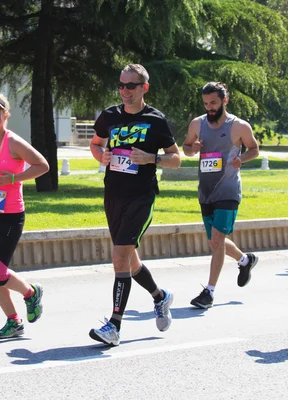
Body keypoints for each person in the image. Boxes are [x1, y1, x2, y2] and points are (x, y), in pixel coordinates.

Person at [88, 64, 181, 346]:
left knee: (119, 256)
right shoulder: (110, 116)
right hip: (113, 194)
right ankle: (160, 296)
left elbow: (176, 158)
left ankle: (114, 325)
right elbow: (95, 144)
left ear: (144, 88)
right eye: (121, 85)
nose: (125, 91)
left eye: (131, 86)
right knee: (128, 259)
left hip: (141, 196)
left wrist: (151, 158)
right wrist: (100, 156)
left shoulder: (155, 120)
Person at [0, 92, 49, 339]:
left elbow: (43, 166)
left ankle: (31, 293)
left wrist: (14, 178)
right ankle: (13, 321)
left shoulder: (13, 142)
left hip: (10, 216)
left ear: (5, 115)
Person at [182, 82, 260, 309]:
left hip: (228, 190)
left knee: (216, 241)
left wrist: (241, 159)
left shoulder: (239, 126)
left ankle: (209, 292)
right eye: (206, 104)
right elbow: (186, 147)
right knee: (216, 242)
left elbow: (254, 149)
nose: (210, 108)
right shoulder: (197, 123)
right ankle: (245, 260)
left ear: (225, 100)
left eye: (214, 103)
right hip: (206, 191)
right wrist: (192, 148)